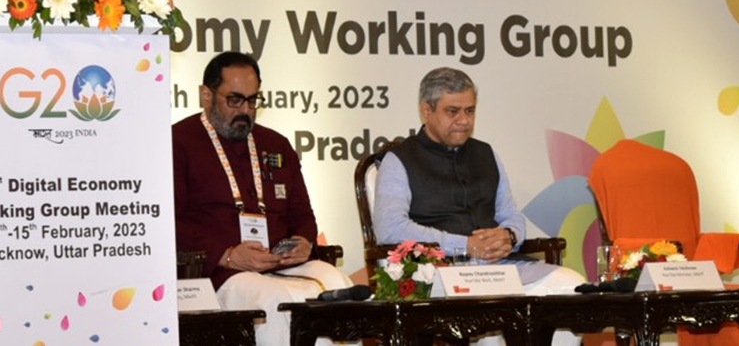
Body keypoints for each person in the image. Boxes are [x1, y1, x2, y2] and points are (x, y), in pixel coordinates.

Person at [373, 67, 583, 346]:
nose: (464, 121)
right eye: (453, 111)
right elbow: (390, 228)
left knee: (570, 287)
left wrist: (508, 236)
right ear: (427, 110)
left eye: (470, 111)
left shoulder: (486, 153)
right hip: (437, 271)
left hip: (499, 265)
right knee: (489, 300)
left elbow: (511, 214)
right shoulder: (399, 160)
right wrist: (464, 245)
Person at [172, 51, 351, 346]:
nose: (245, 110)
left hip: (282, 264)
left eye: (253, 100)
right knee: (275, 300)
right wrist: (227, 254)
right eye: (235, 100)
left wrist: (303, 241)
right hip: (222, 271)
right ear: (206, 95)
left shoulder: (275, 144)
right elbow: (168, 222)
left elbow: (302, 213)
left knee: (337, 283)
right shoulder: (178, 142)